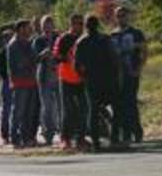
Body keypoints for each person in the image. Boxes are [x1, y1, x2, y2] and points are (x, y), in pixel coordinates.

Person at [75, 15, 118, 152]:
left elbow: (76, 65)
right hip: (106, 79)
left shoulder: (82, 41)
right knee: (113, 107)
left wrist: (84, 76)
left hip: (93, 80)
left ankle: (96, 142)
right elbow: (114, 59)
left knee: (93, 111)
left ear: (86, 26)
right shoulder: (104, 39)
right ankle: (114, 137)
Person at [110, 6, 147, 144]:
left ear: (128, 16)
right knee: (119, 105)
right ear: (115, 17)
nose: (121, 17)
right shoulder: (112, 35)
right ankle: (125, 133)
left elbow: (144, 50)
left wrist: (139, 68)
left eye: (123, 15)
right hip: (117, 76)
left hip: (131, 72)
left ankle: (137, 132)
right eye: (118, 15)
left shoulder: (136, 32)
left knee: (131, 102)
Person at [55, 14, 87, 151]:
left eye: (81, 23)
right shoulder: (64, 38)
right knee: (67, 110)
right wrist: (67, 58)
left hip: (81, 79)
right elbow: (56, 56)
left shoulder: (85, 38)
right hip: (66, 78)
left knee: (83, 110)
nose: (78, 26)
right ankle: (65, 139)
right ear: (71, 24)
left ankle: (80, 139)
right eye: (76, 23)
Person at [5, 20, 38, 148]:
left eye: (29, 28)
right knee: (18, 112)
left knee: (28, 113)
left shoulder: (28, 43)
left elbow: (33, 60)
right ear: (19, 29)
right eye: (26, 28)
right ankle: (14, 138)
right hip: (20, 82)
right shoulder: (14, 45)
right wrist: (33, 60)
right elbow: (21, 63)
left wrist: (41, 56)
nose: (29, 30)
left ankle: (26, 138)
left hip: (30, 81)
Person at [32, 15, 61, 146]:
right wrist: (42, 54)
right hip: (44, 76)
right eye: (45, 24)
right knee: (47, 106)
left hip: (58, 75)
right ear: (42, 26)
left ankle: (62, 131)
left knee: (60, 106)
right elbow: (33, 59)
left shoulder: (58, 38)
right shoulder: (38, 40)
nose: (48, 27)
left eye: (50, 24)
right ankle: (47, 133)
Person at [0, 27, 14, 144]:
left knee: (16, 109)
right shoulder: (1, 53)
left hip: (16, 81)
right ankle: (5, 134)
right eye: (7, 37)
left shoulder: (16, 50)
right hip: (6, 82)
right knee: (6, 109)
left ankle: (14, 132)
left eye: (10, 37)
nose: (9, 39)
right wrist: (8, 76)